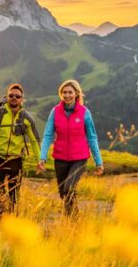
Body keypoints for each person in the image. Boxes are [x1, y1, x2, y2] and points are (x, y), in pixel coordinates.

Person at [37, 79, 103, 216]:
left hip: (79, 159)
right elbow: (48, 135)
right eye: (64, 92)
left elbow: (92, 137)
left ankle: (74, 221)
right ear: (61, 94)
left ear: (76, 94)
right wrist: (42, 157)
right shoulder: (55, 112)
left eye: (70, 92)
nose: (67, 95)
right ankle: (72, 220)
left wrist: (98, 161)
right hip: (60, 158)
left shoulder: (85, 113)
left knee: (68, 188)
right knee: (63, 193)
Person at [0, 83, 41, 215]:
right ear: (7, 97)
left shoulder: (27, 118)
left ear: (21, 99)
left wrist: (39, 160)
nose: (14, 98)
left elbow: (34, 140)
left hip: (16, 160)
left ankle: (12, 219)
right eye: (11, 95)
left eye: (17, 96)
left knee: (14, 194)